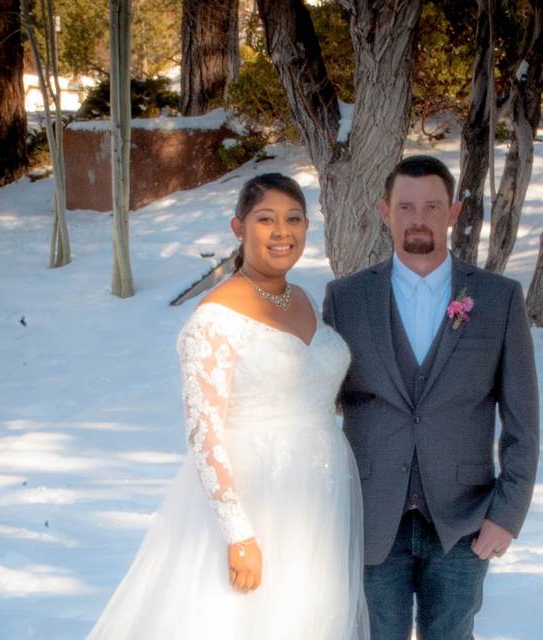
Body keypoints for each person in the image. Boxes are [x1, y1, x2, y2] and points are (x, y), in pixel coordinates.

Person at [87, 173, 368, 639]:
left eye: (294, 219)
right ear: (239, 228)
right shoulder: (215, 317)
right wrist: (238, 534)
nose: (282, 232)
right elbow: (204, 433)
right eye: (266, 219)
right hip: (258, 499)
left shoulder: (304, 300)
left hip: (321, 498)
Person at [323, 155, 539, 640]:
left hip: (465, 520)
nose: (418, 219)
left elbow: (524, 422)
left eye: (431, 206)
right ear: (384, 212)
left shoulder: (499, 298)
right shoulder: (345, 299)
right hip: (372, 517)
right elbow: (321, 408)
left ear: (454, 212)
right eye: (405, 207)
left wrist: (506, 515)